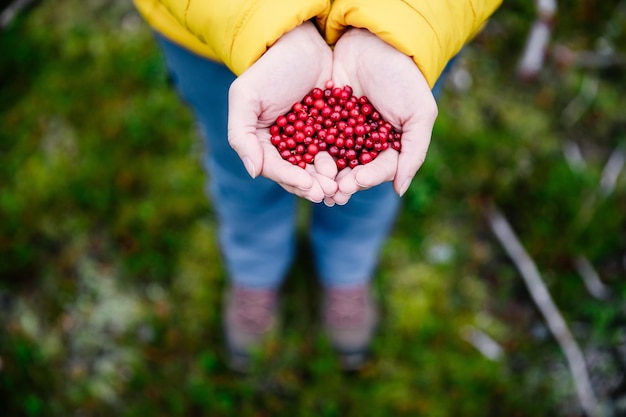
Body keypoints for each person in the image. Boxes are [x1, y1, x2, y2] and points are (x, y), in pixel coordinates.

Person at [131, 0, 502, 371]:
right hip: (215, 27)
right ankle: (255, 271)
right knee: (245, 165)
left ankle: (347, 270)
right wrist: (262, 19)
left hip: (417, 31)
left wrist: (403, 21)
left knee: (373, 175)